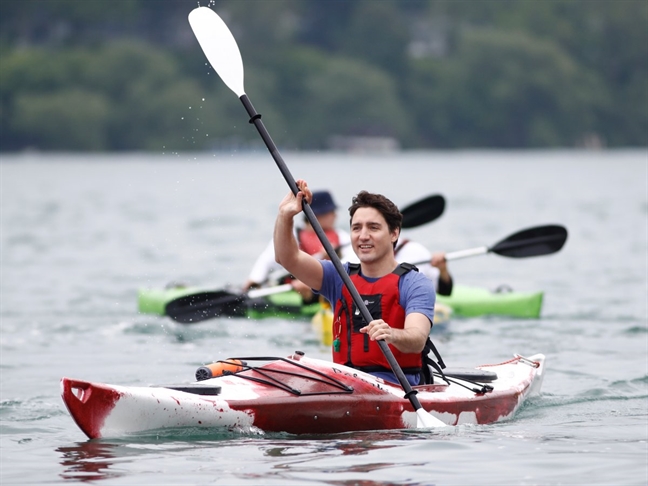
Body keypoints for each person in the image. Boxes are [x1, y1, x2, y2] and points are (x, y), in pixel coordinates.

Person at [274, 180, 437, 386]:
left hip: (399, 387)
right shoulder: (337, 276)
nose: (363, 236)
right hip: (345, 383)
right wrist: (285, 215)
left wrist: (392, 334)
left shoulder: (414, 283)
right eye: (356, 228)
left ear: (394, 233)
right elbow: (287, 258)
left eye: (374, 228)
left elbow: (417, 339)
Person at [242, 190, 351, 303]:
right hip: (291, 285)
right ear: (318, 215)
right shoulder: (292, 234)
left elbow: (350, 264)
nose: (335, 215)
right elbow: (267, 259)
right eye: (332, 211)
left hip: (324, 286)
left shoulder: (342, 237)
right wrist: (254, 280)